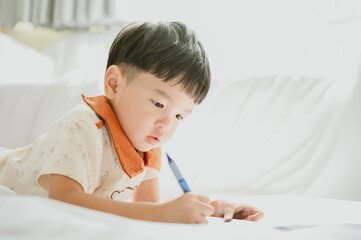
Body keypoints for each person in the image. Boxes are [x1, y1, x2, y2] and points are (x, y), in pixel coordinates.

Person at [0, 21, 263, 224]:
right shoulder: (84, 126)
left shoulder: (150, 146)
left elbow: (148, 210)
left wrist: (209, 209)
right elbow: (64, 200)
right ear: (114, 84)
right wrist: (164, 214)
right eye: (159, 104)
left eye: (179, 116)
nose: (166, 124)